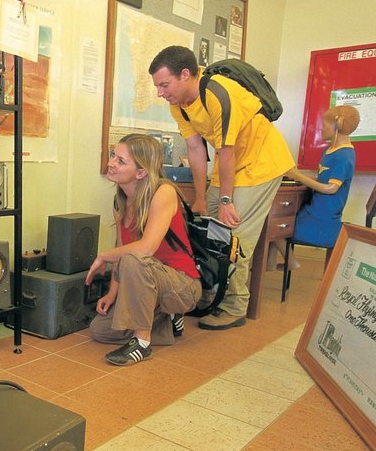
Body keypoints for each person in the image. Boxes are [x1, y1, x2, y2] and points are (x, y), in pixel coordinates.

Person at [148, 45, 295, 330]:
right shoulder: (178, 104)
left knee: (234, 235)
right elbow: (194, 148)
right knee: (206, 227)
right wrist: (202, 198)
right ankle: (210, 295)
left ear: (186, 75)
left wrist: (226, 200)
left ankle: (234, 306)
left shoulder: (218, 93)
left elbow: (226, 150)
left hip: (260, 164)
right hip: (228, 166)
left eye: (164, 84)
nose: (160, 92)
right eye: (157, 86)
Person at [86, 134, 202, 366]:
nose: (111, 164)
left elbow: (145, 249)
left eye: (121, 160)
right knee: (100, 330)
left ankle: (142, 342)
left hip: (183, 284)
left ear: (141, 172)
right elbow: (122, 249)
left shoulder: (164, 192)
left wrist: (102, 255)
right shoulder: (121, 200)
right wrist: (112, 293)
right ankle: (166, 321)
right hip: (149, 283)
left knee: (135, 258)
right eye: (113, 156)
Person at [269, 105, 360, 268]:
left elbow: (331, 188)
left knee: (273, 225)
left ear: (335, 127)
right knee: (277, 218)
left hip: (322, 221)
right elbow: (322, 178)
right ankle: (268, 266)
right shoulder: (330, 151)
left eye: (323, 126)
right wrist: (297, 175)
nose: (320, 129)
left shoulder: (344, 155)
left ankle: (290, 263)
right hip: (313, 213)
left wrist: (297, 175)